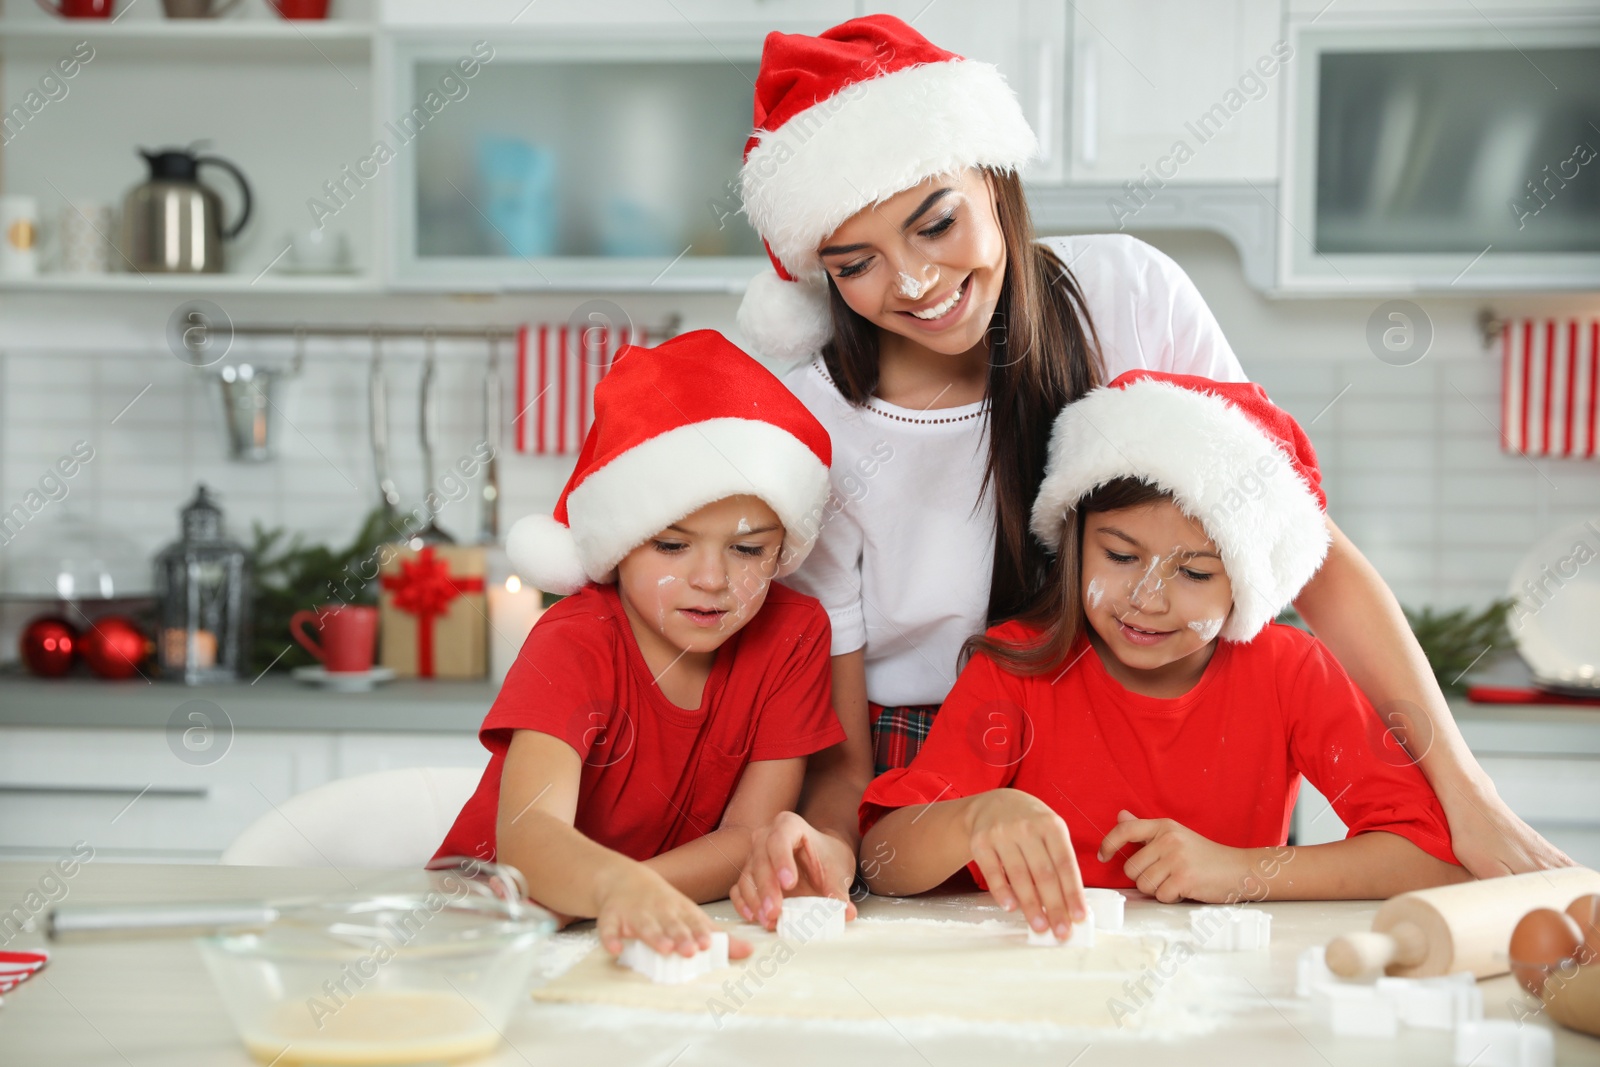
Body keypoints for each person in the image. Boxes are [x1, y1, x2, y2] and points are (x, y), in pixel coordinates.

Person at [727, 14, 1565, 929]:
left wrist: (1471, 798)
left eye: (937, 223)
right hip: (928, 771)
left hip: (1150, 718)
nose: (916, 281)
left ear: (996, 181)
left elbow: (1303, 553)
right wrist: (840, 856)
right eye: (857, 263)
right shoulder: (814, 422)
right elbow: (848, 759)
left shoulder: (1131, 293)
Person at [859, 372, 1470, 940]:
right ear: (1073, 540)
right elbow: (882, 864)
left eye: (1195, 573)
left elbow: (1430, 858)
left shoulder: (1289, 671)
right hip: (1035, 978)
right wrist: (974, 818)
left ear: (1246, 582)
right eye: (1121, 557)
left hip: (1215, 988)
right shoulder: (1018, 666)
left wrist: (1238, 872)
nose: (1147, 599)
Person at [433, 330, 846, 960]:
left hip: (637, 919)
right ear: (617, 543)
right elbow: (530, 839)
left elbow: (747, 834)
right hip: (489, 930)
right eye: (672, 546)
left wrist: (636, 895)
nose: (711, 579)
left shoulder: (793, 634)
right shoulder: (575, 641)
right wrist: (618, 892)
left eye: (748, 548)